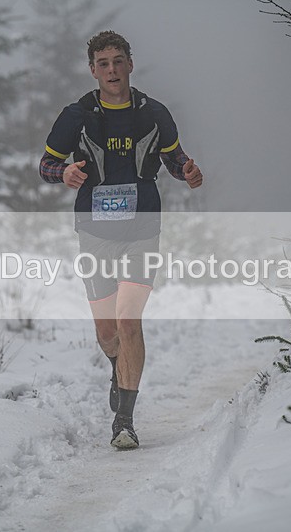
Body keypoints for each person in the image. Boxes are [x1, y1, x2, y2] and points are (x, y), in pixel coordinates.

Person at [38, 30, 203, 449]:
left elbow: (172, 155)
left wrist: (186, 170)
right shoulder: (76, 115)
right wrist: (65, 173)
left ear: (131, 63)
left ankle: (125, 421)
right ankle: (117, 365)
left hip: (143, 227)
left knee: (130, 320)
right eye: (103, 63)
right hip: (94, 230)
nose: (112, 70)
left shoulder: (154, 112)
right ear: (93, 70)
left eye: (118, 61)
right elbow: (46, 164)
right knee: (107, 329)